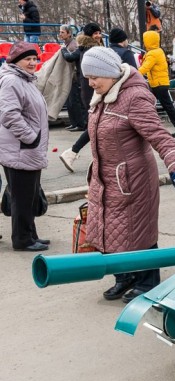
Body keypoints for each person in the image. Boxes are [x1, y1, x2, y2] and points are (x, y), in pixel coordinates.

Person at [80, 47, 175, 303]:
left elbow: (160, 137)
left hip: (133, 180)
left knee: (138, 231)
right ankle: (124, 276)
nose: (91, 82)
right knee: (110, 230)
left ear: (110, 72)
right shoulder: (101, 96)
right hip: (104, 178)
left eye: (95, 76)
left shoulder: (134, 97)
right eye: (88, 77)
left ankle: (147, 281)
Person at [0, 42, 49, 251]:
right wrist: (31, 138)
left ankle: (30, 234)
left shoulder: (25, 80)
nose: (32, 62)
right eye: (27, 59)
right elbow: (9, 114)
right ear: (15, 61)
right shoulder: (12, 81)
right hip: (21, 149)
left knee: (28, 195)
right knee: (22, 198)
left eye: (34, 58)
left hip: (28, 149)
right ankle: (22, 240)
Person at [59, 22, 104, 172]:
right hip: (94, 91)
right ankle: (72, 152)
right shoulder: (92, 50)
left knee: (97, 125)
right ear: (89, 35)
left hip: (92, 91)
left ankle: (73, 153)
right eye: (95, 33)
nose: (98, 35)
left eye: (99, 32)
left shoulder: (85, 48)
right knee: (97, 125)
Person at [139, 30, 175, 137]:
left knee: (164, 106)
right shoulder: (158, 50)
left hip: (158, 84)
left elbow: (145, 68)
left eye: (144, 40)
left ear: (148, 41)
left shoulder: (152, 54)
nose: (143, 42)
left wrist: (133, 73)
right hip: (160, 83)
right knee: (163, 106)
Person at [59, 25, 85, 132]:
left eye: (62, 32)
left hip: (74, 77)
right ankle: (73, 123)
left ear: (69, 33)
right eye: (60, 32)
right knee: (70, 102)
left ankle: (80, 124)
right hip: (69, 77)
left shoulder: (73, 45)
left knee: (75, 101)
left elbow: (73, 60)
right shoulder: (66, 44)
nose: (60, 34)